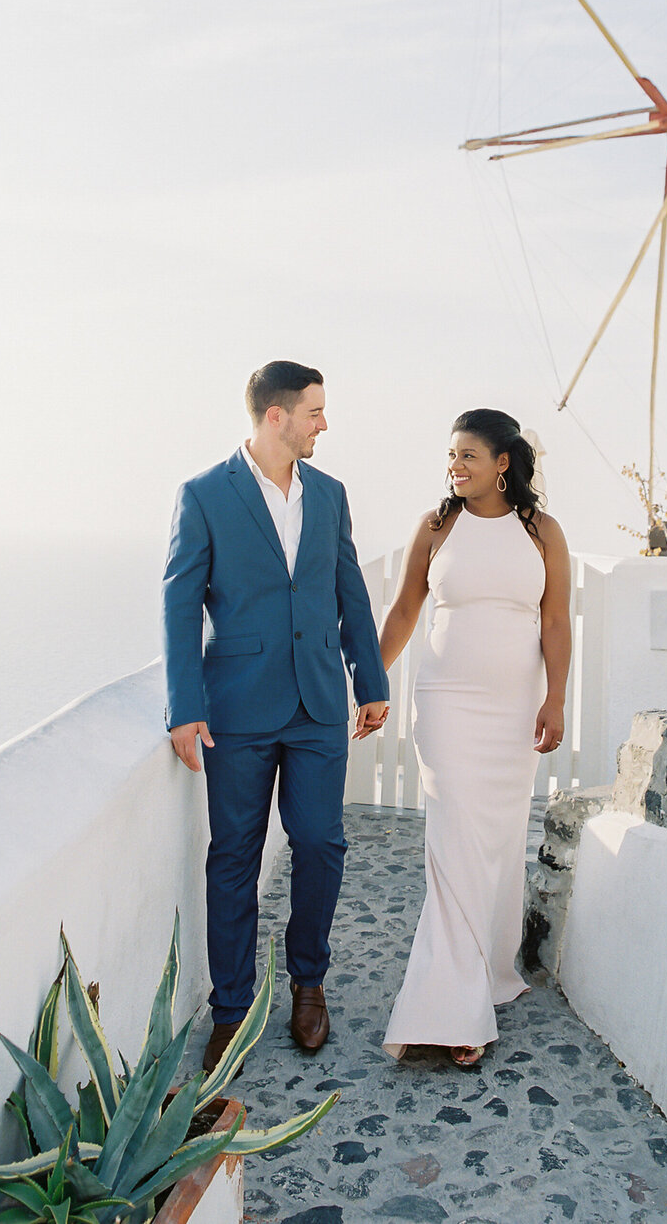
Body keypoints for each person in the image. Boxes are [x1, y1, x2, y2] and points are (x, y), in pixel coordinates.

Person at [162, 361, 390, 1070]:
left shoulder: (330, 495)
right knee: (233, 855)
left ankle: (309, 983)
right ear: (276, 416)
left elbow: (348, 588)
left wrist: (371, 677)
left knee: (322, 843)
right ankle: (230, 1010)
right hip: (237, 706)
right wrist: (184, 706)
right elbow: (179, 603)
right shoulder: (203, 495)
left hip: (320, 700)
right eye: (315, 411)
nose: (325, 423)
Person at [379, 409, 570, 1066]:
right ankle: (453, 1012)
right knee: (456, 842)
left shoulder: (541, 532)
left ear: (502, 463)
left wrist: (556, 698)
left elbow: (555, 626)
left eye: (467, 456)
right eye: (451, 457)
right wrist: (372, 682)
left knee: (496, 841)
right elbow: (405, 610)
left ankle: (485, 972)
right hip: (447, 705)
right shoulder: (437, 528)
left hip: (513, 711)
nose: (455, 468)